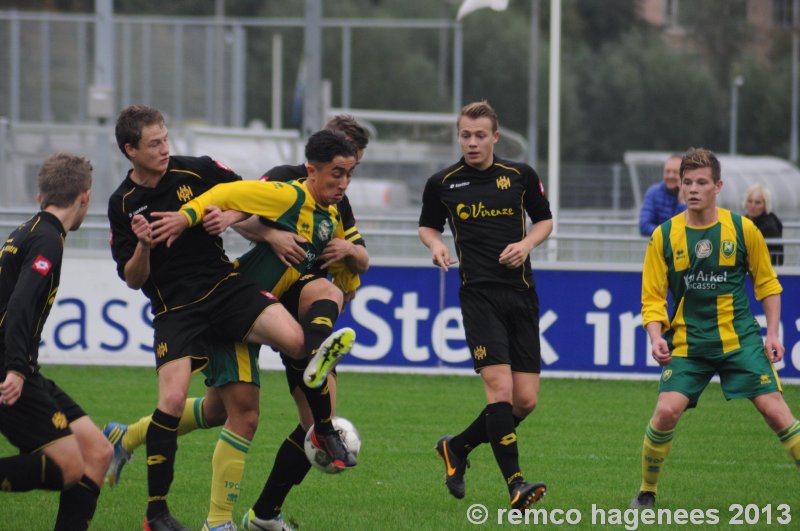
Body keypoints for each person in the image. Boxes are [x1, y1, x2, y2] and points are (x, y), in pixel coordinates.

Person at [107, 105, 349, 531]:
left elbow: (245, 199)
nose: (165, 149)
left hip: (224, 287)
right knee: (216, 409)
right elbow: (132, 279)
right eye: (154, 143)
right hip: (175, 308)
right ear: (130, 150)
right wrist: (144, 246)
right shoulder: (123, 204)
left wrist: (253, 226)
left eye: (166, 138)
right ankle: (191, 517)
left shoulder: (197, 170)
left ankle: (128, 438)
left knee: (295, 346)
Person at [630, 148, 800, 509]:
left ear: (718, 186)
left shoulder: (742, 229)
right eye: (687, 182)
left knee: (776, 412)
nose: (693, 189)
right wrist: (656, 336)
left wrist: (772, 333)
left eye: (701, 182)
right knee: (664, 412)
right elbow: (652, 297)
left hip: (740, 340)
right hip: (690, 344)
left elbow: (767, 284)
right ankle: (647, 491)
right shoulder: (664, 236)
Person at [419, 100, 552, 511]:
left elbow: (544, 220)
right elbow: (427, 226)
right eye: (465, 135)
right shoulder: (443, 183)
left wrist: (527, 244)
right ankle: (516, 484)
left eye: (480, 135)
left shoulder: (520, 176)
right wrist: (437, 244)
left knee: (525, 400)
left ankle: (456, 447)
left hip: (522, 295)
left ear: (496, 136)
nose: (472, 142)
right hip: (478, 297)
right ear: (458, 136)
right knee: (500, 390)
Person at [0, 153, 113, 530]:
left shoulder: (30, 230)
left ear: (40, 196)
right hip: (10, 370)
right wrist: (16, 367)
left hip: (23, 367)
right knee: (68, 467)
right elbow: (19, 306)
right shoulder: (47, 240)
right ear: (85, 198)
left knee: (98, 452)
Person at [639, 154, 687, 236]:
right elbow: (644, 226)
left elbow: (690, 228)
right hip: (658, 247)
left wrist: (682, 203)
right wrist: (672, 233)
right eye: (667, 171)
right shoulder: (653, 193)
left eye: (675, 172)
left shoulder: (693, 194)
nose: (670, 176)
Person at [743, 183, 784, 266]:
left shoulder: (770, 227)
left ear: (766, 205)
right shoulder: (742, 220)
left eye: (758, 203)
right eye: (750, 201)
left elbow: (777, 260)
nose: (752, 205)